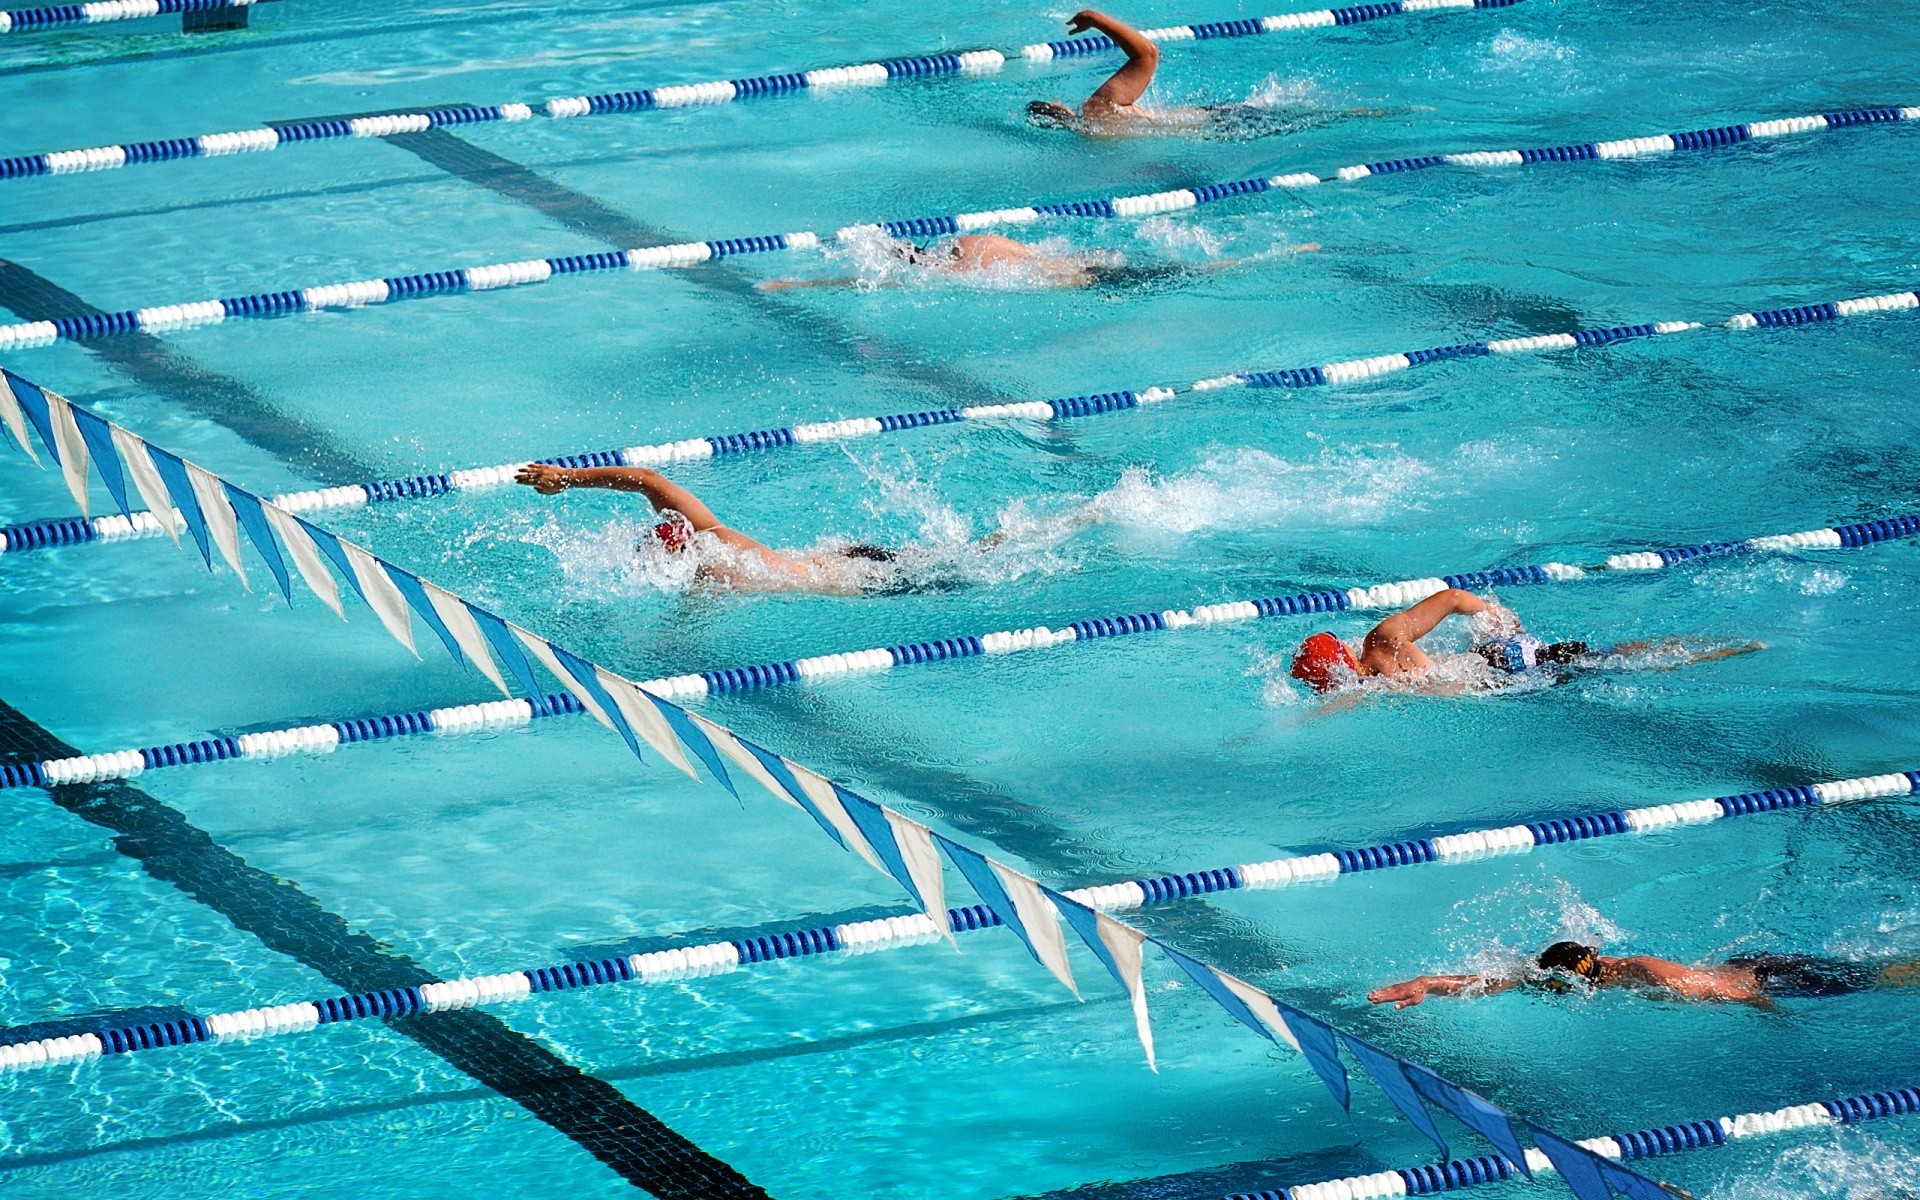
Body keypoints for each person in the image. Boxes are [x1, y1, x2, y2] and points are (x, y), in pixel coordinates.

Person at [1287, 588, 1763, 696]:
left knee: (1628, 662)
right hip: (1498, 659)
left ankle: (1724, 647)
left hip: (1508, 670)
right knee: (1611, 658)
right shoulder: (1382, 644)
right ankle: (1719, 646)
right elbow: (1451, 598)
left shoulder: (1377, 670)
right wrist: (1491, 614)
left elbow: (1452, 598)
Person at [514, 462, 902, 595]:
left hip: (854, 578)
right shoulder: (706, 559)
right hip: (831, 562)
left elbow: (647, 479)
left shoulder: (710, 543)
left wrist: (568, 477)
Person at [1370, 941, 1920, 1011]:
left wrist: (1773, 1016)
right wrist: (1428, 981)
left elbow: (1729, 990)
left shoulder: (1643, 973)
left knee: (1884, 976)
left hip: (1773, 977)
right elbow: (1493, 980)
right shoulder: (1567, 971)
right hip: (1743, 967)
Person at [754, 233, 1316, 293]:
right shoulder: (968, 242)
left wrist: (799, 283)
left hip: (1086, 279)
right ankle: (1276, 252)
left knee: (1197, 275)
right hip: (1084, 260)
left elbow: (884, 285)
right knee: (1185, 269)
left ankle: (1277, 254)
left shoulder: (957, 269)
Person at [1027, 9, 1208, 135]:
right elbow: (1147, 54)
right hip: (1213, 120)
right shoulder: (1099, 108)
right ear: (1058, 109)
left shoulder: (1093, 134)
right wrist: (1094, 19)